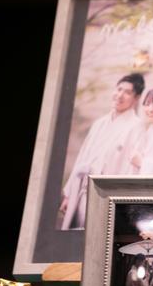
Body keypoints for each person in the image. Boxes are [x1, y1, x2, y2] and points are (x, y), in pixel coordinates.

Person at [60, 72, 145, 229]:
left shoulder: (136, 127)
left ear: (136, 98)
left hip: (108, 195)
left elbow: (132, 169)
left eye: (127, 92)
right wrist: (69, 195)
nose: (120, 95)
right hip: (83, 189)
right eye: (119, 89)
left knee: (97, 236)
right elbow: (83, 156)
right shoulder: (100, 123)